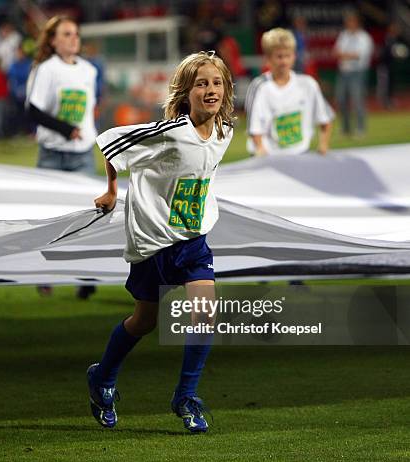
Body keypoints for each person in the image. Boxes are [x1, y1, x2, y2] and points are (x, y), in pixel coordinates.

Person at [87, 51, 234, 433]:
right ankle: (102, 378)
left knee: (205, 314)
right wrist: (110, 191)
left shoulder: (224, 131)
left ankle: (186, 397)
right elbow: (110, 142)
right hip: (151, 242)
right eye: (201, 83)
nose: (210, 89)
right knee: (144, 321)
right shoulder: (170, 133)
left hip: (192, 239)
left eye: (216, 83)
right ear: (186, 92)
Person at [26, 15, 98, 299]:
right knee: (50, 219)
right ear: (53, 40)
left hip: (82, 155)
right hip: (52, 154)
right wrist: (66, 129)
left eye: (76, 33)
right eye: (66, 34)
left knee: (88, 219)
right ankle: (44, 275)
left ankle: (87, 276)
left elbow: (90, 107)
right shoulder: (46, 70)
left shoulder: (90, 70)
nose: (73, 38)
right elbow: (33, 110)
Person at [245, 28, 334, 156]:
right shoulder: (259, 86)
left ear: (294, 56)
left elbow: (325, 118)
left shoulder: (308, 84)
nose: (284, 61)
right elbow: (254, 127)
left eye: (288, 56)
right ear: (268, 58)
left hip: (300, 156)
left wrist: (323, 144)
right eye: (279, 56)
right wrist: (260, 150)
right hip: (269, 158)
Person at [333, 11, 373, 137]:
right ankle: (345, 128)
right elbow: (335, 52)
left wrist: (344, 55)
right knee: (341, 100)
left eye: (351, 21)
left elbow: (358, 55)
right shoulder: (344, 35)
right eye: (348, 22)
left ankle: (360, 128)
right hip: (344, 72)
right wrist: (346, 55)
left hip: (358, 73)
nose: (349, 24)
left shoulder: (364, 37)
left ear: (357, 23)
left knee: (357, 100)